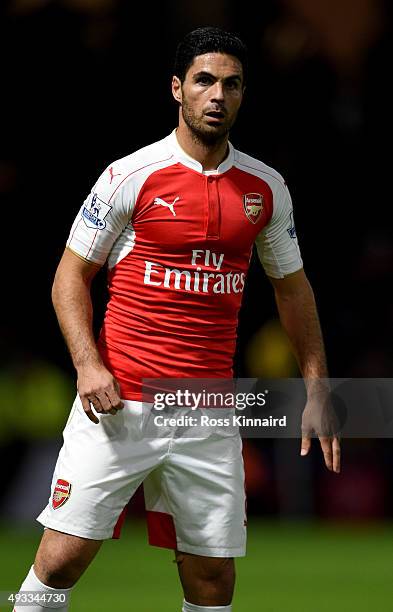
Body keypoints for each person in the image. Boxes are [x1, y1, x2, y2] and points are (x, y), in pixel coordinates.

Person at [14, 26, 340, 612]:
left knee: (211, 577)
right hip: (119, 402)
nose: (218, 95)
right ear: (177, 89)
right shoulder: (130, 175)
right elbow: (69, 278)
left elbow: (294, 291)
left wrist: (317, 383)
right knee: (61, 560)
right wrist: (88, 365)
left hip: (206, 409)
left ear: (244, 94)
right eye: (205, 81)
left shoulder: (265, 189)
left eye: (232, 84)